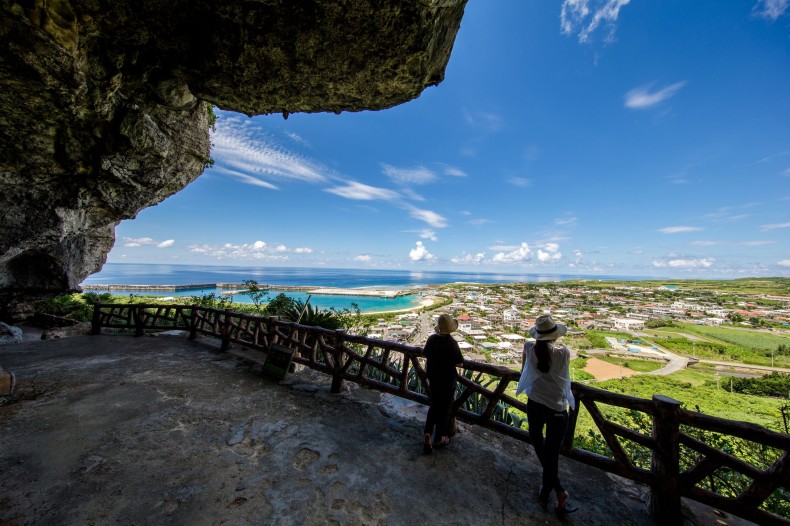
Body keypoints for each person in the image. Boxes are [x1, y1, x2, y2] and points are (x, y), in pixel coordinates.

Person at [516, 314, 578, 515]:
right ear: (554, 335)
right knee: (552, 454)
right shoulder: (564, 353)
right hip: (558, 410)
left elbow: (524, 369)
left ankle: (552, 492)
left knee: (540, 445)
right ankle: (556, 492)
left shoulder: (528, 347)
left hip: (535, 404)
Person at [422, 313, 464, 454]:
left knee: (434, 406)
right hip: (448, 380)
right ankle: (439, 437)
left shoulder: (432, 339)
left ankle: (427, 433)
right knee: (445, 409)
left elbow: (425, 353)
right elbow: (459, 362)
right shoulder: (452, 343)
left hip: (433, 379)